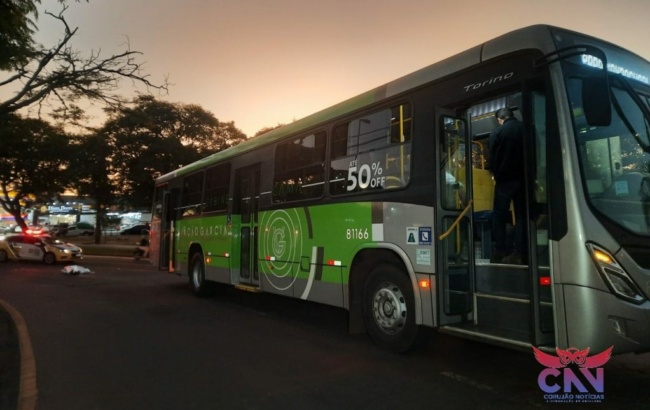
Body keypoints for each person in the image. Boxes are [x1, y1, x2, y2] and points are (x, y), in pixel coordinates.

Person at [488, 107, 526, 264]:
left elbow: (492, 157)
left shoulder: (497, 133)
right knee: (523, 216)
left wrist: (496, 174)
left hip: (504, 180)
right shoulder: (526, 128)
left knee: (499, 216)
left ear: (499, 119)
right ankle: (520, 252)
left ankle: (500, 251)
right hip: (524, 180)